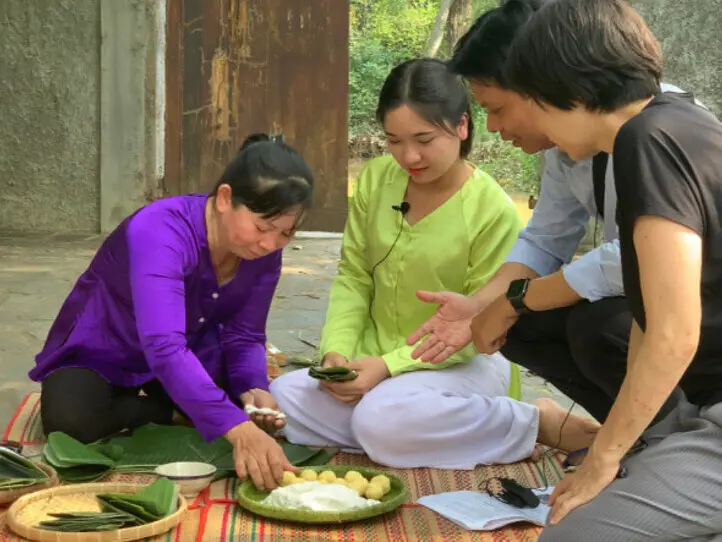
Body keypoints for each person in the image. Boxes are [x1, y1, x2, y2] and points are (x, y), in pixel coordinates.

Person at [270, 58, 598, 470]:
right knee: (285, 397)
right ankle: (431, 434)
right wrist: (336, 353)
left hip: (464, 363)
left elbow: (479, 326)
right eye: (394, 140)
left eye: (424, 139)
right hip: (372, 363)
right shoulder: (375, 180)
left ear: (461, 126)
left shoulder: (490, 208)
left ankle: (535, 422)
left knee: (380, 418)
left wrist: (389, 368)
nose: (409, 156)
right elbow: (354, 276)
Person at [407, 0, 696, 425]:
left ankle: (671, 440)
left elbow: (634, 260)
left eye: (498, 109)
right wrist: (482, 305)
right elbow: (545, 240)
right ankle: (633, 440)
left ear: (543, 85)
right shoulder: (567, 149)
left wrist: (518, 300)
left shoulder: (656, 133)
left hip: (688, 312)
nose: (493, 127)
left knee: (593, 327)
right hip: (645, 298)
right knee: (518, 323)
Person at [500, 0, 722, 540]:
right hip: (699, 404)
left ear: (569, 93)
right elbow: (652, 316)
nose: (538, 128)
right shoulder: (680, 124)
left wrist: (602, 459)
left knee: (571, 535)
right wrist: (624, 447)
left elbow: (673, 335)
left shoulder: (647, 143)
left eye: (533, 105)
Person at [30, 134, 314, 491]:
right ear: (225, 198)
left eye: (286, 233)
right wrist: (236, 429)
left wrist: (252, 386)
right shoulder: (160, 230)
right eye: (262, 227)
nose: (271, 244)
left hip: (189, 347)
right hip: (106, 344)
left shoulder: (265, 252)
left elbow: (245, 334)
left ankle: (175, 406)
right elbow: (163, 345)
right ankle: (168, 412)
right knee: (69, 422)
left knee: (238, 407)